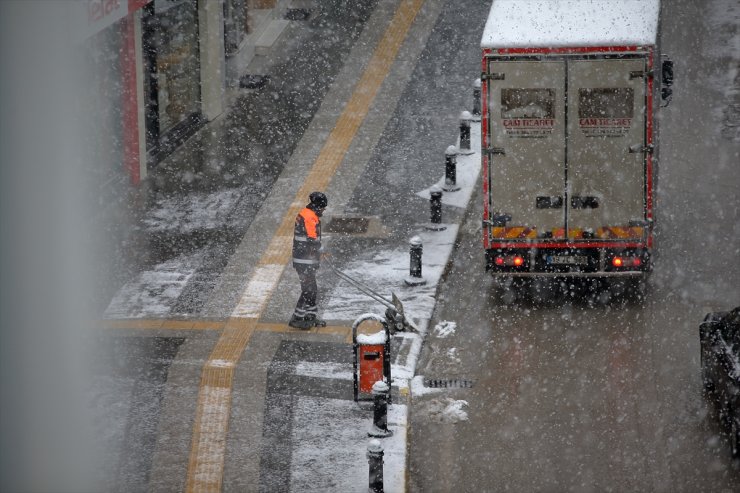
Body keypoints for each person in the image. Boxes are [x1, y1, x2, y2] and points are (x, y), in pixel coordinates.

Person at [289, 191, 328, 329]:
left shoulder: (308, 214)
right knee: (308, 289)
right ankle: (297, 318)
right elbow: (312, 239)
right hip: (304, 260)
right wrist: (320, 250)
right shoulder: (309, 217)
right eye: (323, 207)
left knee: (311, 288)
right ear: (318, 206)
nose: (324, 209)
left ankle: (310, 316)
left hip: (305, 260)